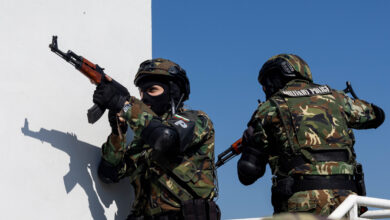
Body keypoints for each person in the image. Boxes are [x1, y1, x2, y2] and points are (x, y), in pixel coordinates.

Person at [237, 54, 385, 216]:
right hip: (347, 201)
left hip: (301, 204)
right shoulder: (338, 98)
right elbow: (377, 116)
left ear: (281, 76)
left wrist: (252, 142)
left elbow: (248, 173)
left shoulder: (267, 109)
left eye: (268, 82)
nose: (267, 88)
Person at [92, 58, 219, 220]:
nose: (144, 98)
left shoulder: (196, 120)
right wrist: (118, 132)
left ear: (172, 92)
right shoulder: (141, 142)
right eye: (141, 92)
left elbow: (166, 138)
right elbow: (109, 173)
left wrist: (124, 105)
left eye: (152, 90)